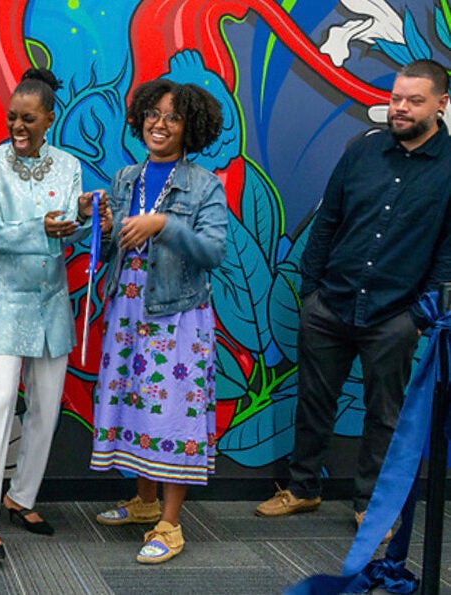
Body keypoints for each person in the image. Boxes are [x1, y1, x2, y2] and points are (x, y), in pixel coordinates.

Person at [255, 59, 451, 532]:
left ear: (441, 104)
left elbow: (448, 250)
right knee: (313, 403)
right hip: (331, 305)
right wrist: (311, 293)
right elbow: (327, 223)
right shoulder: (362, 151)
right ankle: (303, 489)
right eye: (396, 98)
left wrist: (417, 318)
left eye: (413, 101)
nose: (400, 108)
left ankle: (371, 505)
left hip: (395, 316)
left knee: (385, 415)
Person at [89, 79, 226, 564]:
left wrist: (166, 225)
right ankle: (145, 504)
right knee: (137, 407)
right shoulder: (126, 178)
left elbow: (214, 251)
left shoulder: (205, 185)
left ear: (192, 127)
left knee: (172, 412)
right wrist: (103, 228)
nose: (159, 123)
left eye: (172, 116)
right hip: (127, 310)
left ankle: (170, 524)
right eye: (153, 113)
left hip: (177, 317)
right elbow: (115, 248)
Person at [0, 68, 95, 564]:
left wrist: (83, 217)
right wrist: (41, 227)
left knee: (46, 405)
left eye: (28, 119)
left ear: (48, 118)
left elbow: (70, 235)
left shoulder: (69, 166)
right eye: (12, 118)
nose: (18, 126)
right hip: (3, 299)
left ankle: (21, 497)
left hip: (50, 301)